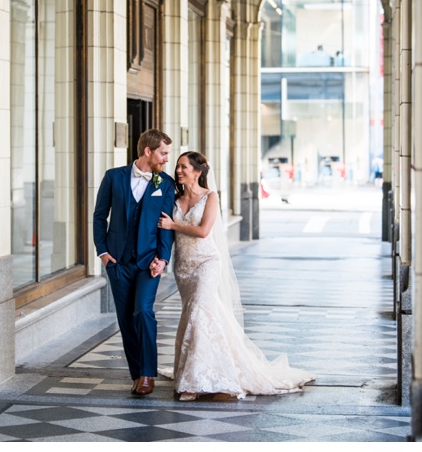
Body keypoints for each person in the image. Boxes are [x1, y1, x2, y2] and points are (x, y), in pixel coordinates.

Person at [156, 151, 315, 401]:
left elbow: (204, 231)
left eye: (184, 167)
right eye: (177, 166)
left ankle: (195, 381)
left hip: (207, 262)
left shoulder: (211, 197)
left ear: (197, 172)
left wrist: (173, 225)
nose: (178, 170)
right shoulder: (173, 199)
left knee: (199, 311)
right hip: (183, 267)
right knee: (196, 316)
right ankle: (208, 368)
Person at [93, 129, 176, 395]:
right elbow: (99, 216)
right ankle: (137, 373)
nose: (166, 159)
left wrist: (163, 258)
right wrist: (104, 253)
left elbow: (166, 225)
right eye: (163, 153)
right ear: (148, 151)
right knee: (126, 319)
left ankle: (148, 374)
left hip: (148, 263)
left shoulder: (166, 183)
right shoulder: (113, 177)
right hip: (118, 262)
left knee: (142, 311)